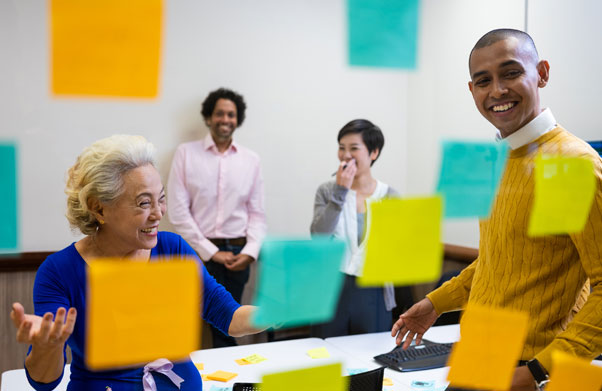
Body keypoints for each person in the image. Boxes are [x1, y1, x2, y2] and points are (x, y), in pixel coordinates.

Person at [391, 29, 602, 391]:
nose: (498, 91)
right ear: (472, 90)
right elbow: (499, 261)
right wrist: (435, 303)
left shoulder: (573, 165)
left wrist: (538, 370)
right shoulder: (496, 163)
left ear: (543, 73)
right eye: (483, 80)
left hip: (530, 368)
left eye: (511, 73)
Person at [10, 135, 264, 391]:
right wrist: (49, 347)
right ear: (99, 209)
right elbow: (44, 382)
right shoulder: (59, 272)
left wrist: (279, 311)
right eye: (144, 203)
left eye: (161, 198)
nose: (158, 213)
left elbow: (229, 317)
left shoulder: (172, 249)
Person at [167, 88, 266, 348]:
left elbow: (256, 213)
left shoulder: (251, 160)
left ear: (238, 119)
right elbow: (178, 211)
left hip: (238, 255)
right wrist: (211, 252)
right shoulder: (186, 153)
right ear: (209, 117)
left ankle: (227, 383)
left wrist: (251, 251)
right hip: (197, 252)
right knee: (192, 324)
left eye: (231, 114)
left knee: (231, 325)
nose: (225, 119)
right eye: (220, 113)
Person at [310, 119, 398, 338]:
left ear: (373, 153)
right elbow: (319, 235)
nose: (345, 155)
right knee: (328, 353)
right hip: (331, 288)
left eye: (354, 148)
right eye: (341, 148)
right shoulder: (327, 191)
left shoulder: (389, 196)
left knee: (371, 358)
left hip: (375, 290)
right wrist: (340, 193)